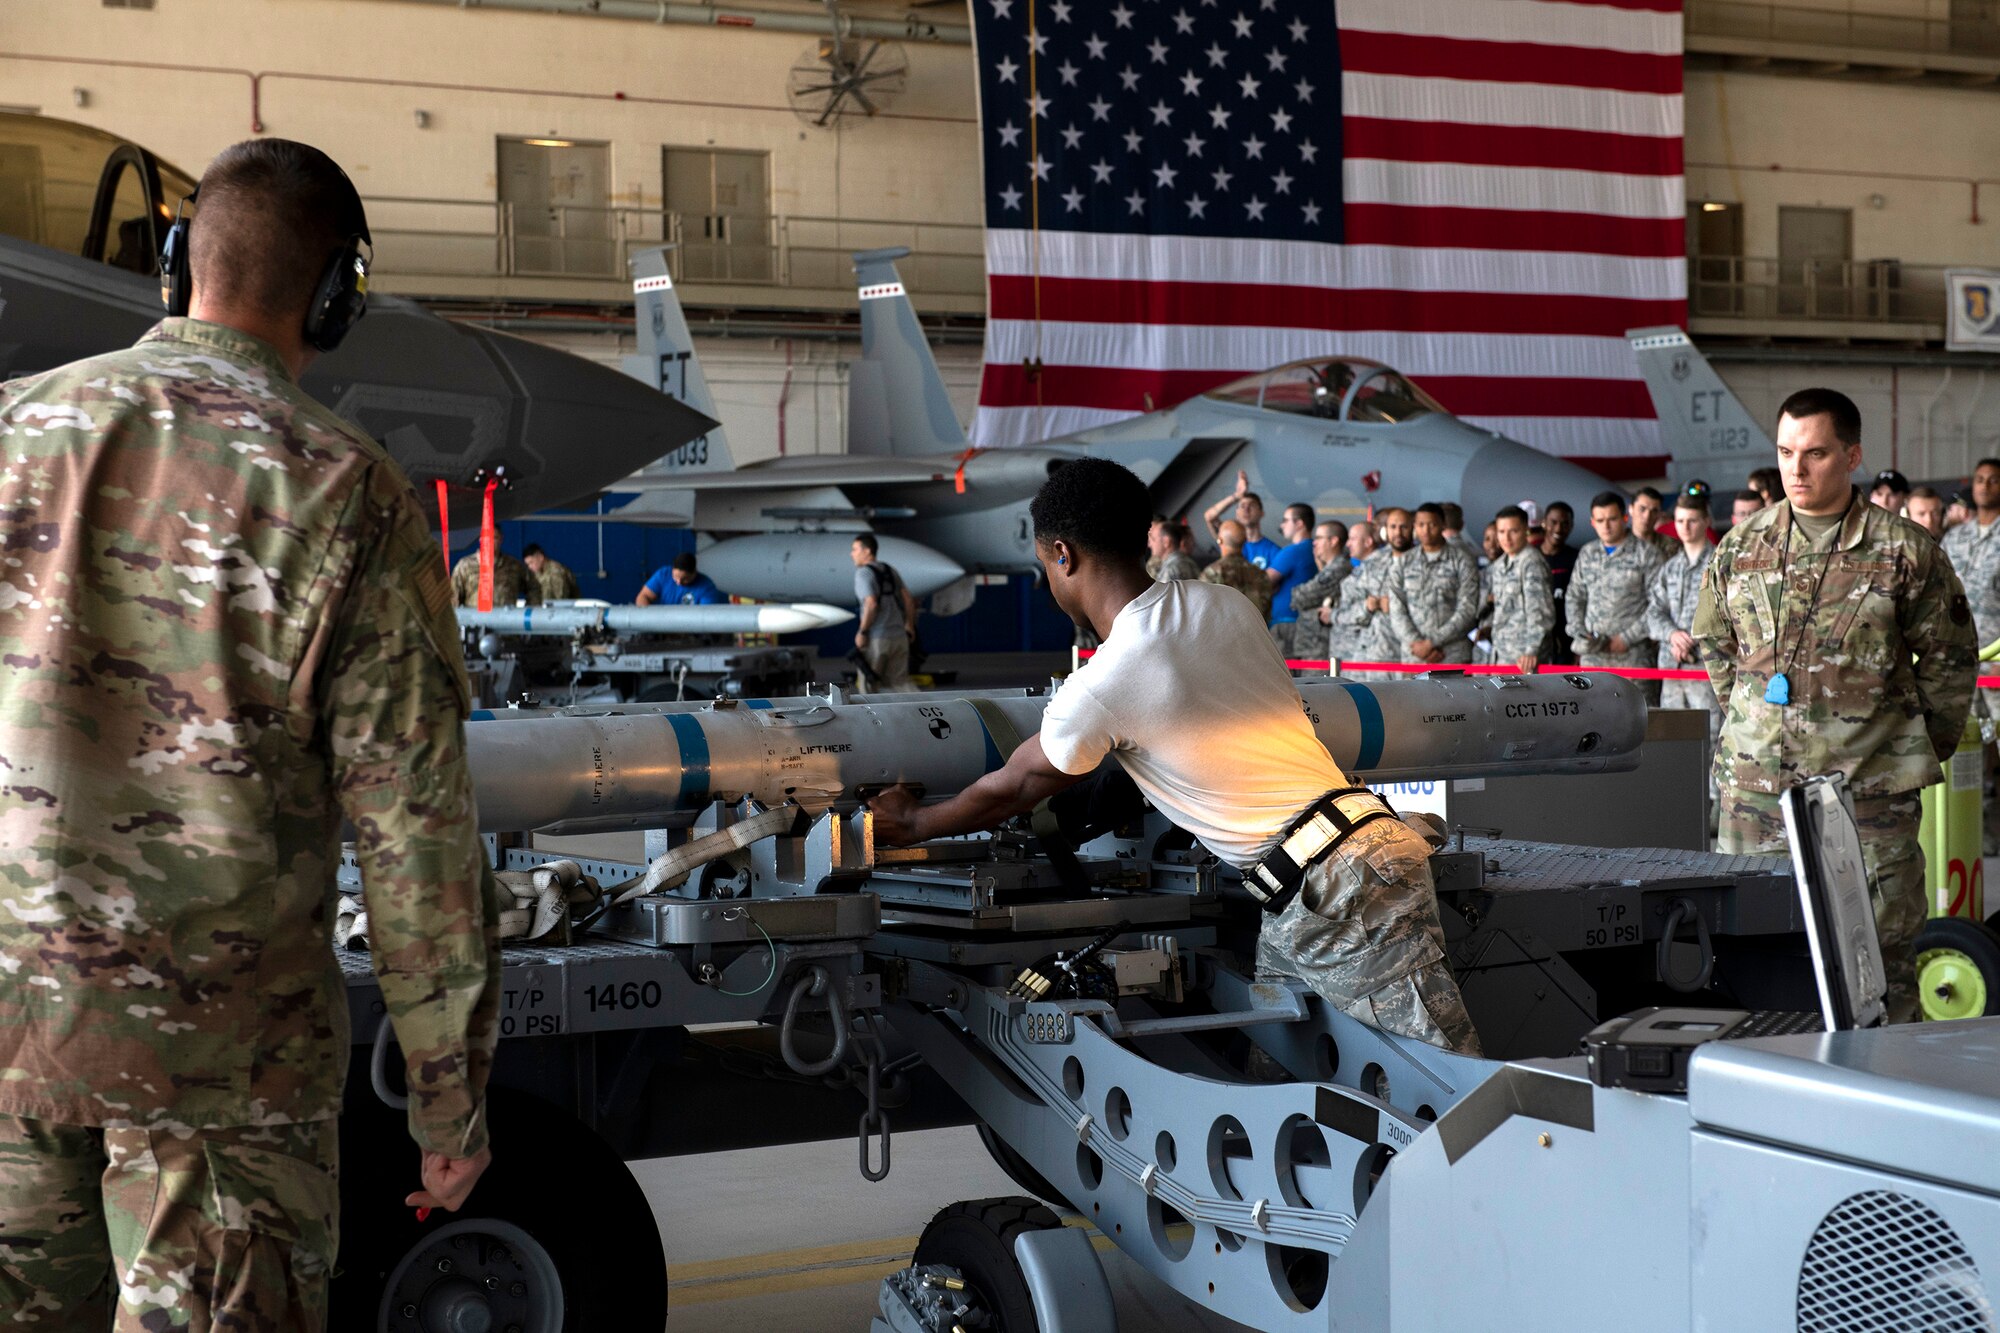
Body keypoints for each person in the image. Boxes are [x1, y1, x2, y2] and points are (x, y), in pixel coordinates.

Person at [0, 138, 496, 1329]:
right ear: (340, 295)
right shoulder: (343, 490)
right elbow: (412, 838)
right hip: (223, 1078)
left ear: (176, 265)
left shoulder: (13, 430)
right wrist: (448, 1104)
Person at [866, 459, 1480, 1054]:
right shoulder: (1226, 606)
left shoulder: (1110, 677)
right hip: (1315, 880)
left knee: (1445, 1101)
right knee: (1286, 1082)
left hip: (1340, 886)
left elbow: (1018, 786)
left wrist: (914, 824)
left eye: (1044, 568)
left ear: (1063, 555)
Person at [1694, 388, 1975, 1021]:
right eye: (1786, 453)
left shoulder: (1906, 551)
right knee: (1751, 963)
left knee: (1879, 965)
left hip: (1864, 800)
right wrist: (1753, 723)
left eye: (1816, 454)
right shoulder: (1742, 546)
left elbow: (1951, 661)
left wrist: (1907, 750)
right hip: (1754, 798)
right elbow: (1714, 641)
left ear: (1852, 457)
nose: (1796, 470)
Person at [1648, 488, 1723, 807]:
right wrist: (1672, 634)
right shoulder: (1670, 567)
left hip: (1704, 669)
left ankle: (1714, 806)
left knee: (1710, 737)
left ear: (1705, 521)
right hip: (1673, 669)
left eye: (1692, 520)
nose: (1685, 527)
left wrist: (1694, 635)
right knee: (1673, 736)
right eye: (1679, 521)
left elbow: (1729, 612)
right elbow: (1652, 611)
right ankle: (1679, 804)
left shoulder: (1719, 561)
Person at [1943, 459, 2000, 853]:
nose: (1984, 486)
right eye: (1979, 480)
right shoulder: (1956, 538)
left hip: (1998, 660)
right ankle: (1979, 834)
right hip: (1962, 660)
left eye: (1993, 480)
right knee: (1967, 750)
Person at [1569, 491, 1666, 697]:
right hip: (1593, 655)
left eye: (1612, 519)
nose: (1606, 526)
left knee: (1638, 720)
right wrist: (1580, 632)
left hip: (1633, 656)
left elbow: (1658, 604)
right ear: (1592, 522)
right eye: (1600, 520)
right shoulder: (1587, 553)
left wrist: (1627, 638)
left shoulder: (1647, 554)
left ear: (1624, 518)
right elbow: (1575, 596)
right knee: (1592, 717)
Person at [1388, 502, 1481, 665]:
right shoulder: (1404, 563)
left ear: (1443, 525)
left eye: (1432, 524)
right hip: (1414, 656)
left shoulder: (1462, 561)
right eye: (1421, 525)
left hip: (1452, 655)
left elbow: (1468, 609)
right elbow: (1396, 608)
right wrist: (1417, 645)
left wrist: (1431, 643)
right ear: (1415, 526)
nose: (1426, 530)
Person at [1486, 506, 1555, 673]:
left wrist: (1532, 650)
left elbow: (1540, 610)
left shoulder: (1532, 562)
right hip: (1502, 656)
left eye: (1513, 531)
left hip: (1525, 661)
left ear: (1526, 530)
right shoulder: (1499, 565)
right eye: (1501, 531)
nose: (1506, 538)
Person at [851, 532, 920, 691]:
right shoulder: (890, 570)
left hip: (877, 639)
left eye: (855, 549)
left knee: (869, 686)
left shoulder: (863, 573)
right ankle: (918, 712)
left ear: (867, 551)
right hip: (899, 638)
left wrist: (863, 632)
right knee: (900, 684)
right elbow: (908, 599)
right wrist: (909, 626)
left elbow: (871, 603)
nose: (852, 554)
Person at [1287, 521, 1349, 663]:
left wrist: (1297, 593)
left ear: (1333, 541)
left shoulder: (1338, 568)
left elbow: (1299, 597)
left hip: (1319, 647)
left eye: (1319, 538)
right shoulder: (1330, 568)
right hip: (1313, 644)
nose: (1314, 543)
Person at [1265, 502, 1320, 656]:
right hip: (1308, 624)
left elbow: (1263, 582)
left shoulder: (1292, 551)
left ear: (1299, 523)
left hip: (1286, 624)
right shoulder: (1315, 550)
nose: (1282, 525)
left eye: (1285, 520)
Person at [1203, 469, 1280, 568]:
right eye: (1242, 506)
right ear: (1237, 513)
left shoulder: (1273, 551)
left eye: (1251, 505)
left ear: (1262, 513)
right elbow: (1209, 517)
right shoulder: (1228, 539)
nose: (1246, 509)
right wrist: (1237, 496)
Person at [1200, 519, 1273, 620]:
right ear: (1245, 541)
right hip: (1255, 633)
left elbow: (1201, 610)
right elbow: (1267, 611)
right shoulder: (1260, 573)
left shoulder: (1212, 572)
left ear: (1220, 540)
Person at [1540, 500, 1579, 666]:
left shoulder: (1577, 558)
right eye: (1553, 522)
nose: (1558, 529)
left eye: (1564, 524)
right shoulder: (1532, 558)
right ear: (1544, 523)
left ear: (1571, 526)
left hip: (1567, 644)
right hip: (1538, 645)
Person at [451, 545, 541, 608]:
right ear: (481, 540)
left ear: (501, 538)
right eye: (487, 537)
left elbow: (534, 587)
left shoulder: (513, 565)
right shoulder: (465, 565)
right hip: (475, 625)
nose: (491, 541)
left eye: (495, 537)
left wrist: (528, 612)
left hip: (505, 625)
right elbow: (453, 596)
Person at [638, 550, 725, 606]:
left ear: (694, 572)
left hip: (691, 630)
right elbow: (643, 596)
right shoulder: (663, 575)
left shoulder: (707, 587)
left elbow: (706, 616)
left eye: (684, 579)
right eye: (675, 577)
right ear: (672, 569)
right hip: (663, 626)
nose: (679, 582)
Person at [1147, 516, 1202, 581]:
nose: (1149, 545)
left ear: (1166, 542)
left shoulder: (1172, 569)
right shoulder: (1183, 562)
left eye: (1153, 540)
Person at [1629, 485, 1678, 558]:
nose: (1647, 516)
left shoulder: (1670, 545)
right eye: (1642, 509)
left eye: (1654, 511)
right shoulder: (1617, 542)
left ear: (1659, 514)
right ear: (1631, 509)